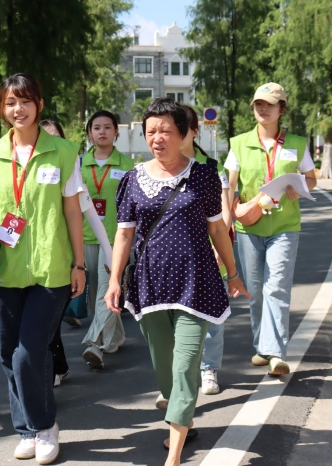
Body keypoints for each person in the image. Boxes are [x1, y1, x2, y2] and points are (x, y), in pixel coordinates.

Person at [104, 97, 249, 466]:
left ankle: (175, 455)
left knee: (186, 366)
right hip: (151, 285)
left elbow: (217, 228)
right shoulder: (134, 179)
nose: (158, 137)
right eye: (151, 131)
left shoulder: (203, 175)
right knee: (165, 367)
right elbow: (124, 235)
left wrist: (232, 273)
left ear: (183, 134)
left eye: (166, 130)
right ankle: (182, 415)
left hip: (196, 283)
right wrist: (114, 280)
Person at [0, 74, 86, 465]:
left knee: (29, 352)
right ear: (1, 109)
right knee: (9, 352)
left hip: (52, 268)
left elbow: (72, 210)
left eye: (24, 101)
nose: (17, 110)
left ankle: (45, 425)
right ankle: (25, 430)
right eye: (9, 103)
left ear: (39, 103)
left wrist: (79, 263)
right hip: (5, 267)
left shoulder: (64, 152)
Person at [225, 82, 317, 376]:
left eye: (270, 104)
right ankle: (262, 347)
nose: (263, 109)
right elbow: (230, 187)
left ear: (282, 109)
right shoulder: (238, 143)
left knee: (276, 287)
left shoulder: (297, 144)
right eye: (258, 104)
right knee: (254, 292)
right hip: (249, 227)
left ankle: (276, 353)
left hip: (285, 226)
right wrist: (225, 228)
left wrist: (299, 188)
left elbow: (311, 178)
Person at [38, 119, 113, 385]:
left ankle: (59, 362)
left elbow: (89, 211)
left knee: (52, 318)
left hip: (64, 255)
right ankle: (57, 364)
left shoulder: (70, 168)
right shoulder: (21, 172)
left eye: (55, 139)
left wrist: (108, 252)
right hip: (27, 262)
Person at [179, 105, 232, 396]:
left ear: (194, 132)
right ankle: (178, 375)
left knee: (212, 315)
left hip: (209, 254)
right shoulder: (157, 168)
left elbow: (223, 215)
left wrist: (215, 246)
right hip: (175, 259)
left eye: (180, 128)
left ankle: (208, 368)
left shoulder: (212, 169)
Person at [80, 110, 134, 370]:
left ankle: (94, 343)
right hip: (84, 235)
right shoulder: (78, 164)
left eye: (107, 127)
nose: (102, 132)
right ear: (89, 133)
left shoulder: (127, 165)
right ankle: (115, 336)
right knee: (94, 293)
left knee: (105, 288)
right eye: (97, 128)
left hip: (114, 239)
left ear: (116, 132)